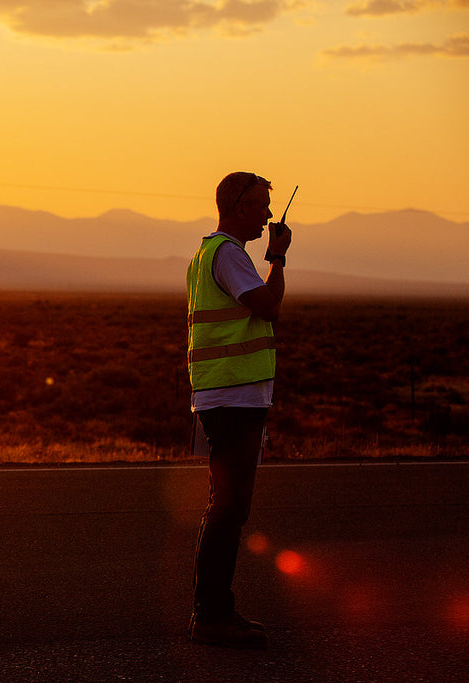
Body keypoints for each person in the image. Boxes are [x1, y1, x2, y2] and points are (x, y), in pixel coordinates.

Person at [186, 171, 291, 649]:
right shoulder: (228, 255)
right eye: (262, 205)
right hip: (231, 398)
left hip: (229, 396)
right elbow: (267, 306)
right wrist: (279, 257)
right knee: (228, 508)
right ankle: (211, 615)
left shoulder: (213, 253)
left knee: (227, 507)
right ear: (238, 205)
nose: (269, 215)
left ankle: (215, 611)